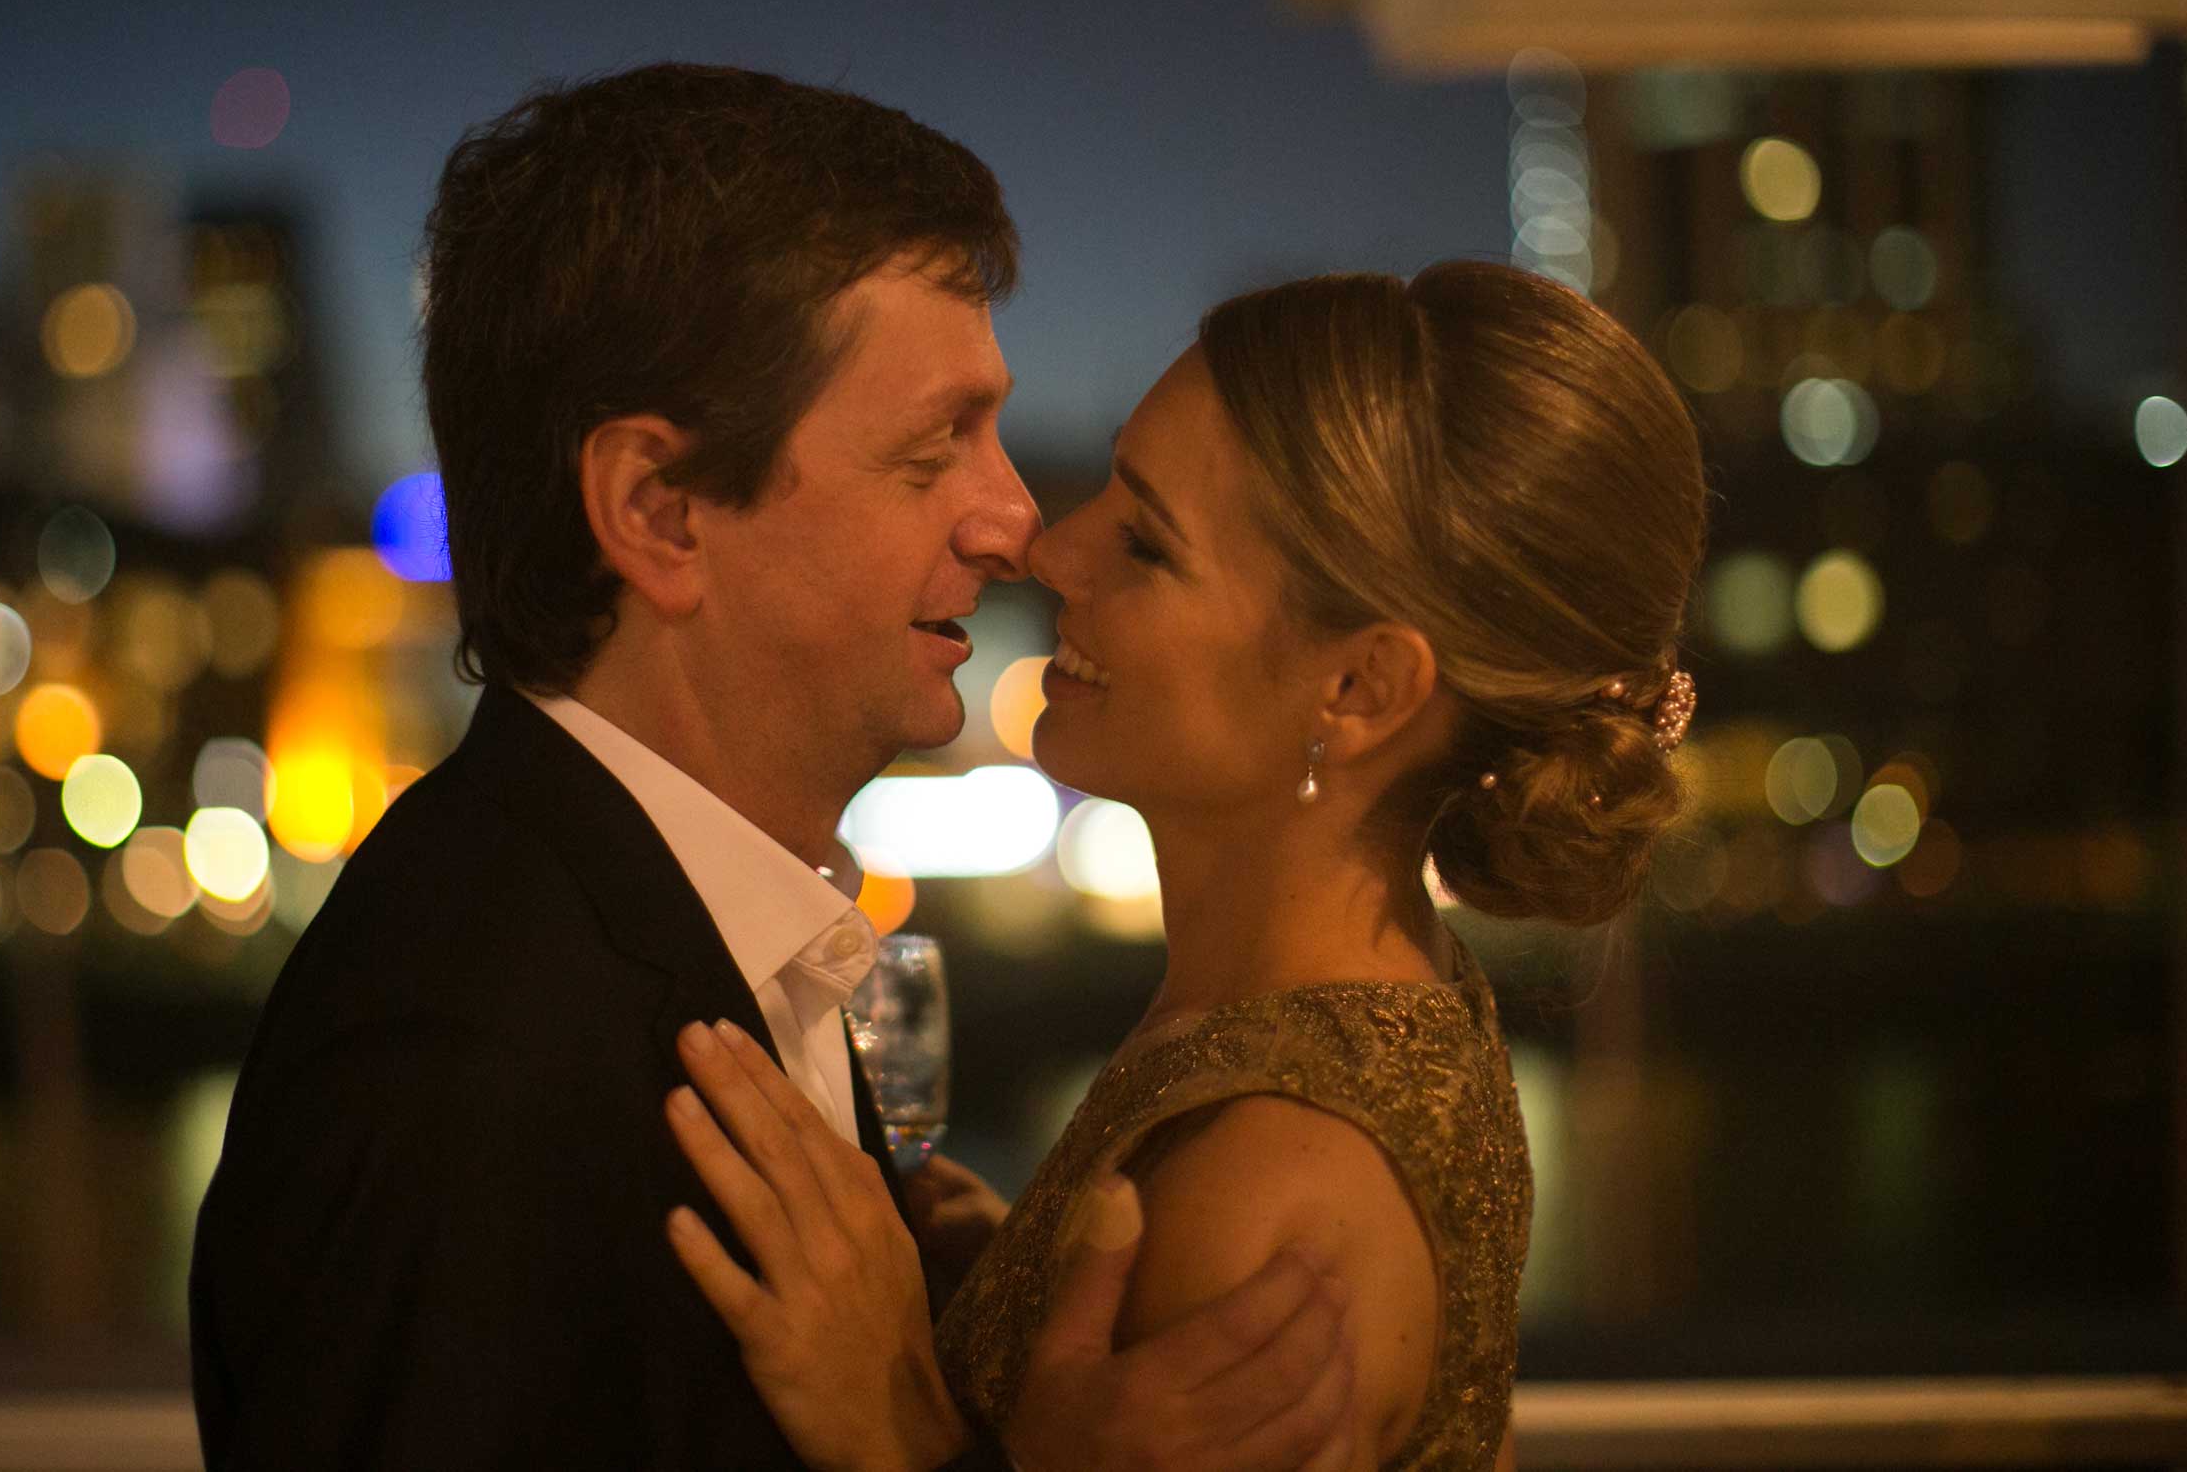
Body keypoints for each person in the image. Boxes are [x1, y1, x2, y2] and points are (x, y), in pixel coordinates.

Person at [187, 64, 1363, 1469]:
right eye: (939, 446)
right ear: (659, 512)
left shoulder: (676, 935)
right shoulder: (469, 1064)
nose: (1015, 523)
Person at [664, 261, 1708, 1471]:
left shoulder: (1261, 1200)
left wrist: (888, 1422)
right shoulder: (1335, 1009)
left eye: (1147, 544)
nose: (1051, 552)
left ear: (1359, 687)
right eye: (1107, 483)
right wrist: (1002, 1286)